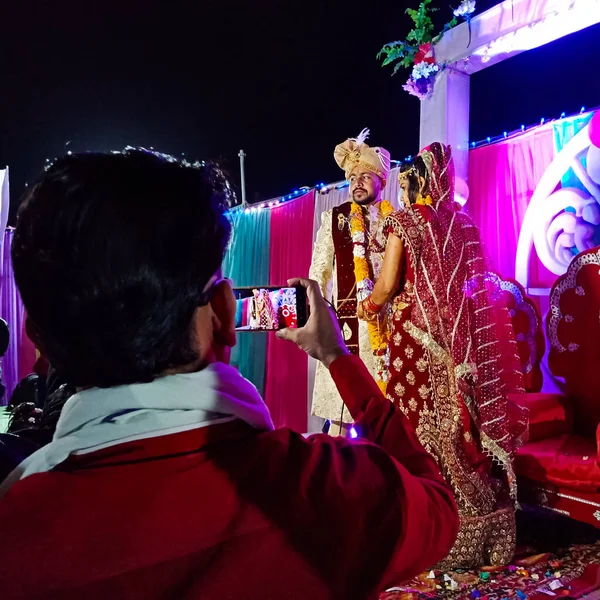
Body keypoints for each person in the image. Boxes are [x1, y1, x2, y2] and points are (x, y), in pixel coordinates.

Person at [0, 149, 459, 599]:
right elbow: (437, 505)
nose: (360, 180)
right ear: (223, 311)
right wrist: (337, 357)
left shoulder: (15, 519)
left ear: (37, 337)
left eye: (368, 174)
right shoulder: (332, 492)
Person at [358, 142, 528, 569]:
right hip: (462, 343)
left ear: (417, 180)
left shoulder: (405, 222)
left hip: (416, 341)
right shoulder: (465, 225)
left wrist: (369, 307)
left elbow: (386, 285)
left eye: (408, 178)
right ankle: (483, 524)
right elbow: (476, 289)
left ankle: (430, 525)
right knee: (461, 424)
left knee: (416, 429)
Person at [310, 128, 394, 436]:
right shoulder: (334, 218)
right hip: (346, 324)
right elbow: (319, 273)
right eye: (352, 177)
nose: (356, 182)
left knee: (384, 411)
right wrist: (318, 315)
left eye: (364, 176)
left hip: (386, 325)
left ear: (380, 181)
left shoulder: (393, 220)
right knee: (341, 416)